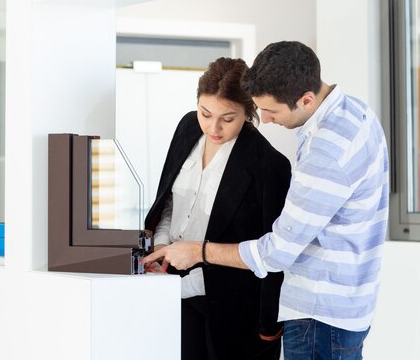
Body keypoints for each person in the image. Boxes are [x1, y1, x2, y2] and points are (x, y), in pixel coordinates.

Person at [143, 41, 390, 360]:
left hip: (318, 311)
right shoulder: (353, 112)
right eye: (205, 114)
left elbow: (276, 253)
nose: (267, 120)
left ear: (306, 99)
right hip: (342, 306)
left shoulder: (321, 154)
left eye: (271, 111)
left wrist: (197, 252)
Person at [144, 57, 292, 360]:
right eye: (205, 113)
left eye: (228, 118)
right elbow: (168, 200)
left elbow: (267, 257)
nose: (214, 127)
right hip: (171, 282)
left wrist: (177, 284)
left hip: (230, 307)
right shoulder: (187, 127)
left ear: (250, 111)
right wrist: (161, 249)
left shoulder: (270, 166)